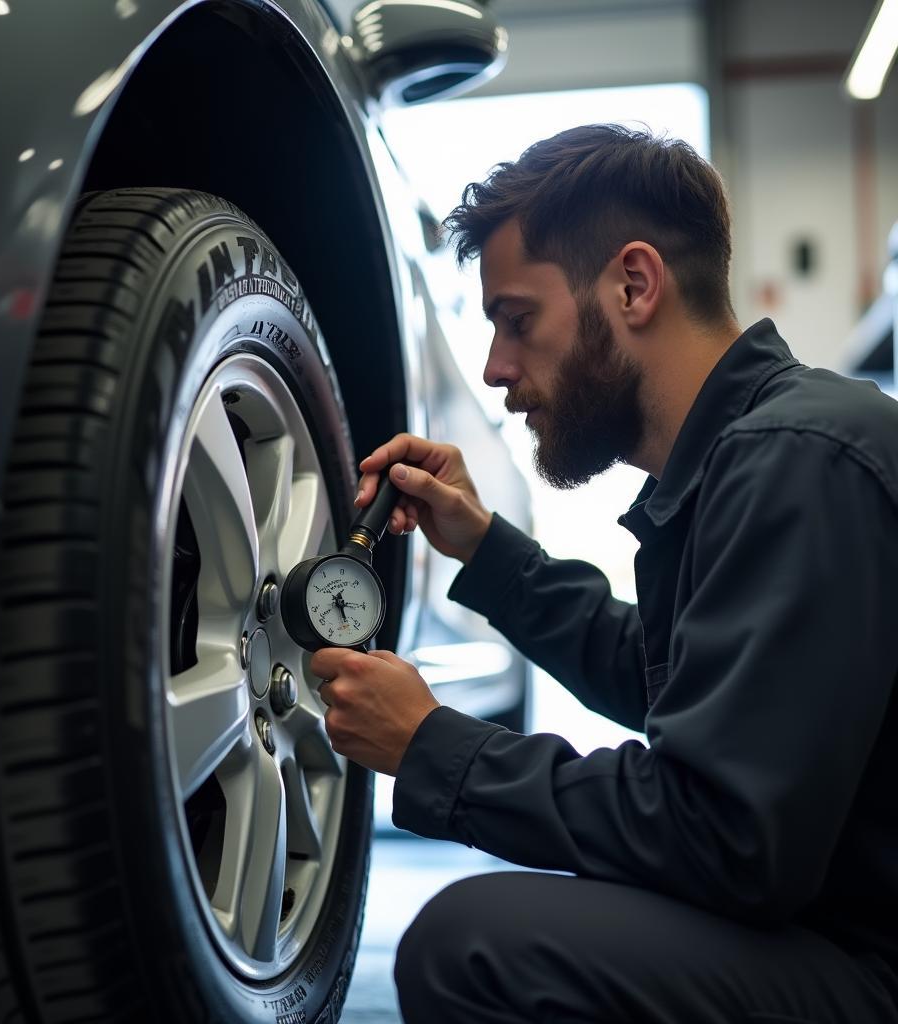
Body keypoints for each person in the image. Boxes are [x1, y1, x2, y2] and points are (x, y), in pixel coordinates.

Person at [311, 124, 898, 1023]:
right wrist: (485, 548)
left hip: (870, 965)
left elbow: (727, 837)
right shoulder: (745, 458)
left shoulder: (797, 459)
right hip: (837, 926)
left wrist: (434, 746)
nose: (497, 370)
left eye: (517, 321)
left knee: (473, 946)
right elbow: (670, 685)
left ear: (633, 283)